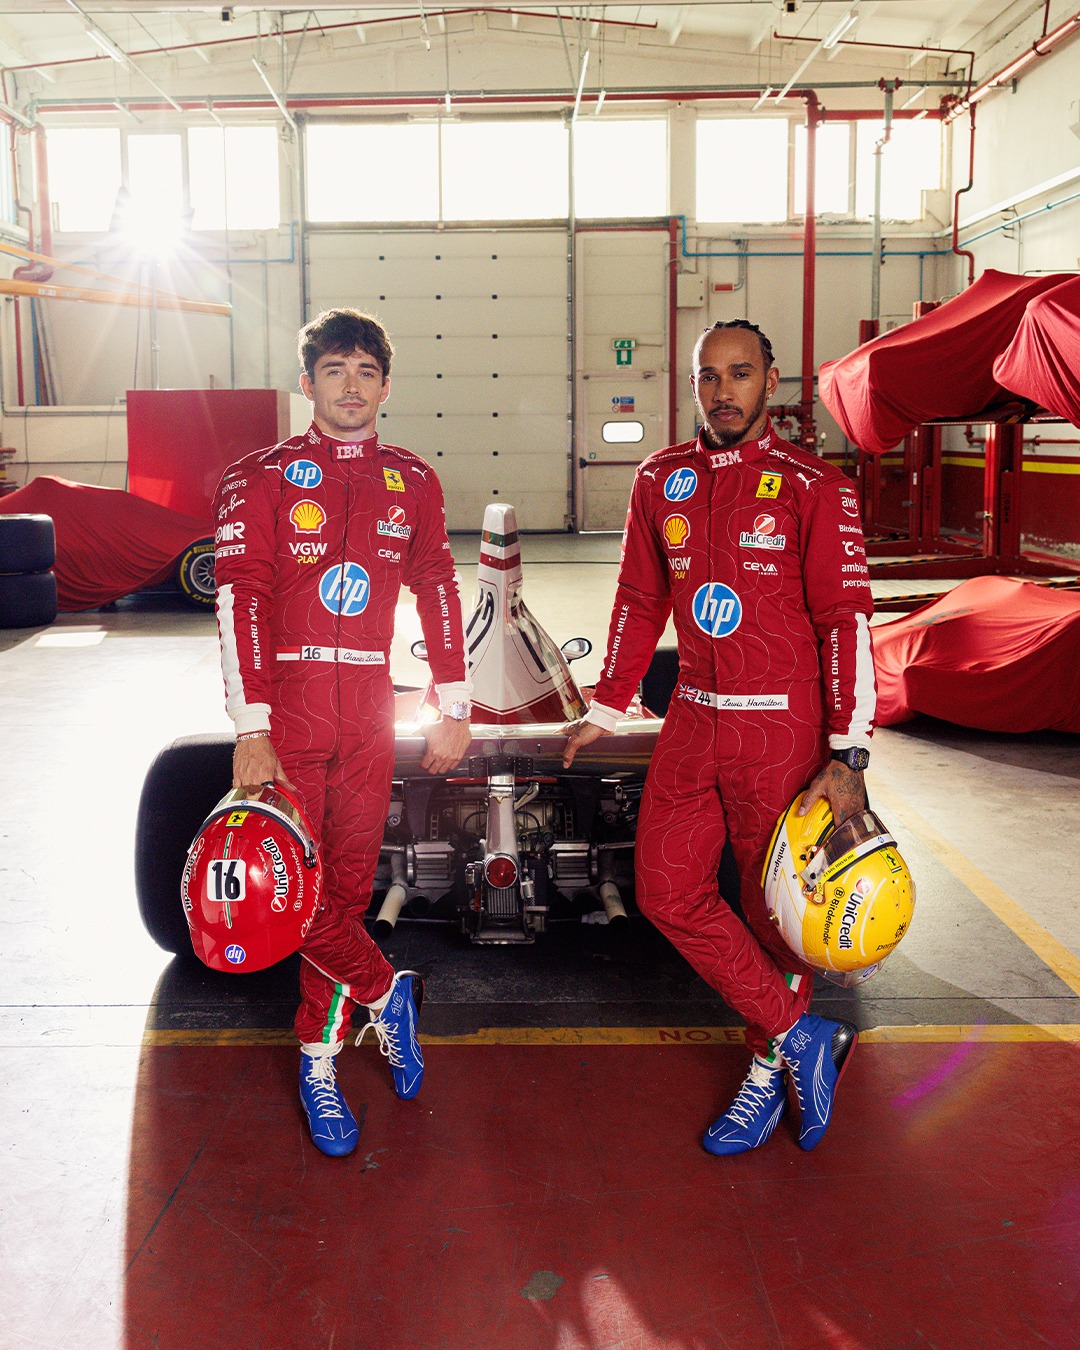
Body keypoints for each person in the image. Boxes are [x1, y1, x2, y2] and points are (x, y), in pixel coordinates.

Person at [563, 319, 874, 1155]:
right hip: (693, 715)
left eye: (740, 374)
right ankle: (801, 1034)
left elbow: (845, 621)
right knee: (667, 892)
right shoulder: (660, 477)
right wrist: (607, 704)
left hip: (782, 726)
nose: (723, 390)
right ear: (694, 385)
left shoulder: (814, 484)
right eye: (709, 376)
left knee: (775, 913)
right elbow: (638, 597)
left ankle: (768, 1066)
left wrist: (848, 753)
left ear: (771, 381)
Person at [212, 308, 472, 1157]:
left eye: (365, 370)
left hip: (367, 703)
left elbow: (436, 585)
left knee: (346, 893)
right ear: (308, 383)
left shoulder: (414, 481)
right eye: (334, 371)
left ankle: (324, 1051)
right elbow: (238, 597)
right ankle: (374, 998)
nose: (351, 385)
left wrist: (454, 700)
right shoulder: (260, 476)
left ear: (385, 385)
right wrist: (251, 722)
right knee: (292, 894)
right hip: (286, 707)